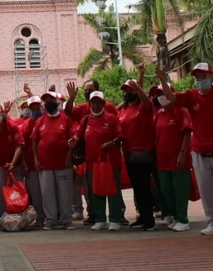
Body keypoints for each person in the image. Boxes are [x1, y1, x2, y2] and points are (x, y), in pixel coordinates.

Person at [156, 63, 213, 237]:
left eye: (204, 77)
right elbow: (171, 97)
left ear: (211, 77)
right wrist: (162, 79)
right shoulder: (191, 96)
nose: (200, 81)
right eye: (197, 78)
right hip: (199, 151)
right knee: (206, 190)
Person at [69, 91, 125, 231]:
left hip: (111, 161)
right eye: (93, 103)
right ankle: (100, 219)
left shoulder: (111, 118)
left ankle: (115, 220)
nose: (95, 105)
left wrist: (110, 143)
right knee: (96, 191)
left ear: (103, 104)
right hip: (92, 163)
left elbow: (120, 136)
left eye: (98, 103)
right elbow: (78, 134)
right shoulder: (86, 119)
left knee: (113, 191)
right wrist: (74, 140)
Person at [150, 85, 193, 232]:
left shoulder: (180, 111)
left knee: (179, 190)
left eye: (162, 93)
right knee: (166, 190)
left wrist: (182, 154)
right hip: (162, 160)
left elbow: (187, 133)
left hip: (179, 159)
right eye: (158, 94)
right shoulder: (160, 113)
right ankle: (174, 217)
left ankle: (182, 219)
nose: (160, 96)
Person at [32, 91, 75, 230]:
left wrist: (69, 156)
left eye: (51, 99)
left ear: (57, 102)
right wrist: (35, 158)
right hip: (45, 165)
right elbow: (34, 141)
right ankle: (51, 220)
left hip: (63, 164)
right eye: (45, 100)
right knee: (47, 193)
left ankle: (66, 220)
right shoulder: (40, 121)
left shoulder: (65, 119)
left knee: (65, 193)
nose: (48, 102)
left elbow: (72, 141)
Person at [118, 79, 157, 231]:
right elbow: (113, 111)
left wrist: (138, 88)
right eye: (126, 90)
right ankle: (142, 216)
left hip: (144, 152)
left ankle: (149, 220)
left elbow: (147, 101)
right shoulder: (124, 110)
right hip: (129, 154)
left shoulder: (144, 107)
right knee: (137, 187)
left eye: (131, 90)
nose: (128, 93)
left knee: (144, 186)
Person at [18, 96, 46, 226]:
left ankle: (51, 216)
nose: (35, 109)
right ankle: (40, 217)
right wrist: (23, 162)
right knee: (35, 193)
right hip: (31, 165)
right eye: (32, 107)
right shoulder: (26, 125)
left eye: (37, 106)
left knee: (47, 192)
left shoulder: (46, 120)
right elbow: (21, 145)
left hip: (46, 164)